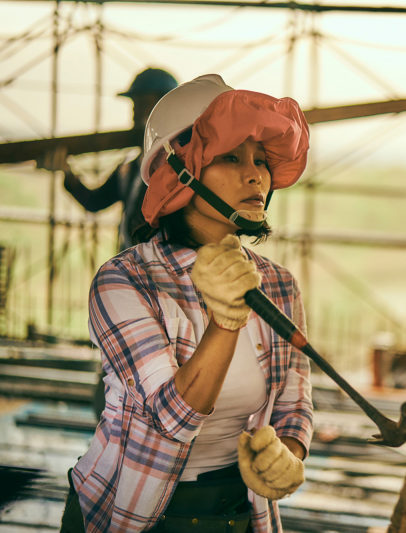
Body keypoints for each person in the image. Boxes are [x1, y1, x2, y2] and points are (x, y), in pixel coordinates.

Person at [59, 74, 313, 533]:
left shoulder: (278, 285)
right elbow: (170, 419)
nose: (256, 175)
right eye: (231, 157)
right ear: (176, 174)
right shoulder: (123, 282)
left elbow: (293, 405)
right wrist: (226, 320)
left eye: (260, 160)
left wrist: (287, 454)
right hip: (129, 512)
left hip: (239, 515)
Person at [40, 68, 179, 251]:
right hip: (132, 264)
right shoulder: (128, 170)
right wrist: (67, 172)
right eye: (135, 105)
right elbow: (95, 202)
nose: (136, 112)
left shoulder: (181, 168)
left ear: (168, 110)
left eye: (144, 104)